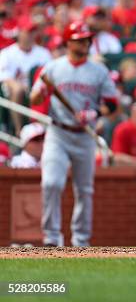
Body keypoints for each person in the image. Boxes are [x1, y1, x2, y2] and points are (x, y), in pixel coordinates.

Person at [29, 21, 119, 247]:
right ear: (68, 42)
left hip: (84, 135)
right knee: (51, 183)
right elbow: (34, 100)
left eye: (86, 39)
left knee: (84, 190)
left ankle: (81, 240)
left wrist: (93, 113)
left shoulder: (99, 70)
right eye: (79, 39)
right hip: (58, 132)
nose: (85, 43)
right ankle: (51, 237)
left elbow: (112, 105)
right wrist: (41, 92)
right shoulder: (53, 67)